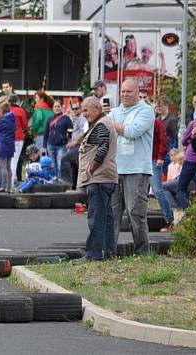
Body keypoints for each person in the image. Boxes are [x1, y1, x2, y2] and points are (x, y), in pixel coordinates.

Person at [109, 79, 155, 255]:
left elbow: (132, 132)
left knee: (135, 213)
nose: (125, 94)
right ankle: (109, 252)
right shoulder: (114, 111)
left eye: (129, 91)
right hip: (115, 169)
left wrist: (112, 125)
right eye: (122, 91)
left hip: (137, 170)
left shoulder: (146, 111)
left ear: (137, 92)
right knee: (112, 214)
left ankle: (142, 252)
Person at [78, 96, 118, 260]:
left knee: (96, 218)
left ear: (97, 108)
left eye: (86, 110)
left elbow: (102, 148)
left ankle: (93, 254)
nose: (84, 113)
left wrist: (90, 169)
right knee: (107, 217)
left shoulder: (101, 125)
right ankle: (108, 253)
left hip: (99, 179)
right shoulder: (104, 123)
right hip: (106, 178)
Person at [150, 108, 173, 232]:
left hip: (153, 160)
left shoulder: (157, 124)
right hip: (141, 160)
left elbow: (164, 141)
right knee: (139, 193)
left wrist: (160, 157)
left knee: (158, 190)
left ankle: (169, 220)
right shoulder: (137, 124)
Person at [59, 101, 87, 187]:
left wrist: (74, 143)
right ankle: (73, 186)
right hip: (76, 145)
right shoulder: (76, 118)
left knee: (65, 159)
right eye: (73, 109)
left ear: (81, 108)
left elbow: (84, 133)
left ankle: (67, 182)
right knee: (74, 165)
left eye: (77, 108)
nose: (75, 110)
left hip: (81, 145)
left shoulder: (82, 118)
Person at [0, 103, 16, 193]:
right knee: (9, 167)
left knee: (2, 167)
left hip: (2, 144)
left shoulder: (3, 120)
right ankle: (9, 187)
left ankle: (3, 186)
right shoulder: (12, 119)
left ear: (3, 111)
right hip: (10, 144)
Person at [42, 100, 74, 175]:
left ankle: (60, 181)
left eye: (58, 106)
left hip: (62, 146)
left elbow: (71, 131)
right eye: (55, 106)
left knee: (60, 165)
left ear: (62, 107)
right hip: (51, 145)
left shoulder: (66, 119)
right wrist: (44, 146)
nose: (56, 108)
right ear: (53, 108)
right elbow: (46, 133)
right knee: (52, 165)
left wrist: (68, 139)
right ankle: (54, 181)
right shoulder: (49, 119)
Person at [8, 94, 29, 185]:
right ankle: (11, 180)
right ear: (17, 101)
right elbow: (25, 125)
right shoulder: (20, 110)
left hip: (7, 137)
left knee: (6, 159)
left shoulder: (6, 110)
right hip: (18, 137)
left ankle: (4, 180)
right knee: (14, 160)